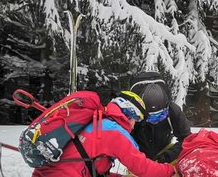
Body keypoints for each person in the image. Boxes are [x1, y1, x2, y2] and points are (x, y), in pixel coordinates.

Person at [32, 91, 176, 177]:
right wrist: (171, 170)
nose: (133, 126)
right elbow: (142, 167)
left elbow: (89, 165)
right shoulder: (114, 132)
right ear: (129, 114)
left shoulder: (97, 121)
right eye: (136, 120)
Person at [130, 71, 192, 163]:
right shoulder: (131, 115)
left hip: (165, 151)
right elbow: (121, 140)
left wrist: (168, 155)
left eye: (161, 115)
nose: (156, 121)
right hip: (139, 156)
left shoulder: (173, 111)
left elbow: (188, 140)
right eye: (151, 117)